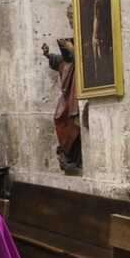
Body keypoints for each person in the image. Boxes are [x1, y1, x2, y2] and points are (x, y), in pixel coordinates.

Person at [42, 23, 82, 172]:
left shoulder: (79, 54)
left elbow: (87, 60)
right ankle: (68, 156)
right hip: (67, 96)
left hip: (76, 95)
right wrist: (48, 55)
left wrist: (73, 50)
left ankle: (75, 159)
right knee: (59, 118)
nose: (72, 21)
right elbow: (60, 60)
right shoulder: (65, 62)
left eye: (73, 18)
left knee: (74, 123)